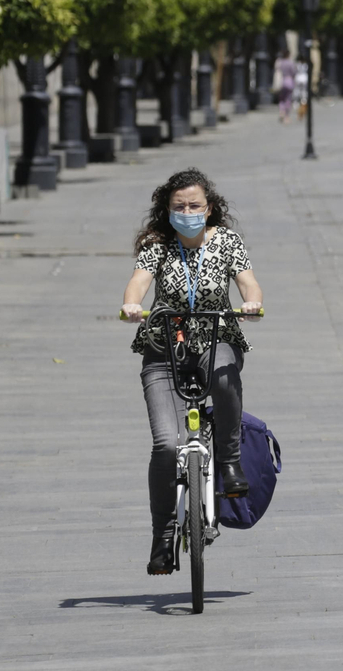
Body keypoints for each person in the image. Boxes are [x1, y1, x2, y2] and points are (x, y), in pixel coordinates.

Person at [121, 168, 264, 576]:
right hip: (163, 347)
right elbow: (138, 283)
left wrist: (251, 304)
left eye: (194, 205)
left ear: (209, 208)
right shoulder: (157, 246)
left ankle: (231, 463)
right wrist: (133, 304)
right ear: (167, 211)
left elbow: (249, 284)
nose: (187, 212)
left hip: (216, 338)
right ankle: (163, 537)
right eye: (179, 206)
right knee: (166, 444)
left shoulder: (227, 242)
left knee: (224, 375)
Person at [275, 48, 297, 124]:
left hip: (281, 81)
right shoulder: (290, 63)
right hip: (289, 81)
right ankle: (287, 116)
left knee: (281, 98)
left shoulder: (280, 62)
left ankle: (281, 111)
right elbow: (294, 72)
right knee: (288, 99)